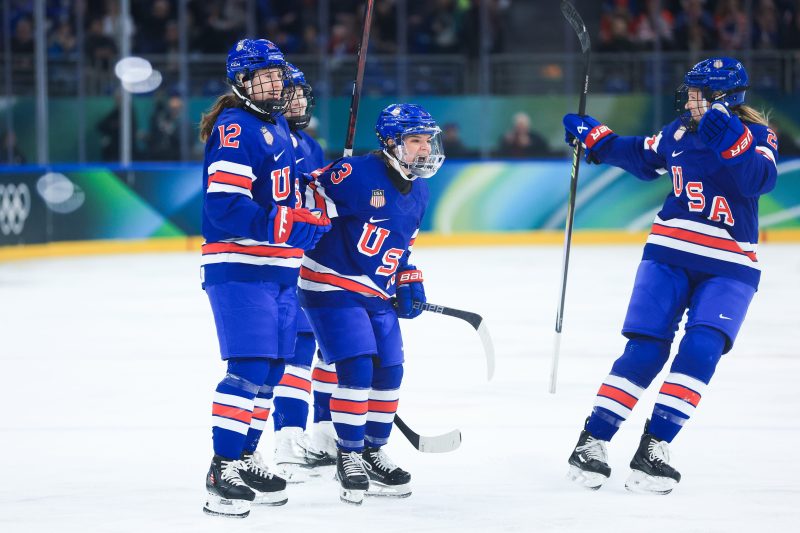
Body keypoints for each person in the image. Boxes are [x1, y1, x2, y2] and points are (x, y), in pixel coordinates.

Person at [562, 57, 778, 495]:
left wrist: (730, 138)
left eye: (698, 93)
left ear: (723, 98)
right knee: (645, 350)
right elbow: (640, 157)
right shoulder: (677, 131)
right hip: (668, 254)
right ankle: (592, 441)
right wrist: (596, 138)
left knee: (702, 348)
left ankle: (655, 446)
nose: (689, 100)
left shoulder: (759, 134)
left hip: (732, 264)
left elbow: (759, 180)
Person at [198, 38, 331, 518]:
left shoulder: (277, 126)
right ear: (241, 81)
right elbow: (224, 205)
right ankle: (222, 468)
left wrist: (309, 213)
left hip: (280, 267)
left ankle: (246, 455)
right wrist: (285, 223)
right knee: (249, 367)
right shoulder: (235, 126)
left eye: (279, 75)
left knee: (273, 370)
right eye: (265, 77)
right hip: (240, 265)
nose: (276, 84)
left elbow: (284, 197)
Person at [298, 103, 444, 505]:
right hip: (330, 284)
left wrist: (407, 275)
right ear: (392, 143)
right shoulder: (355, 173)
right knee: (357, 367)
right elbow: (301, 194)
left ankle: (373, 451)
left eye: (428, 140)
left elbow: (402, 246)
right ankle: (348, 453)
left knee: (390, 369)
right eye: (415, 140)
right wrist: (321, 196)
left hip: (376, 291)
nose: (425, 148)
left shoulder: (420, 189)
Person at [269, 63, 338, 481]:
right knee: (294, 351)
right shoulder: (268, 137)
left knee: (325, 346)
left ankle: (323, 433)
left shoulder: (311, 146)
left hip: (310, 257)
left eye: (301, 94)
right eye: (289, 93)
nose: (296, 101)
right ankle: (286, 439)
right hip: (278, 259)